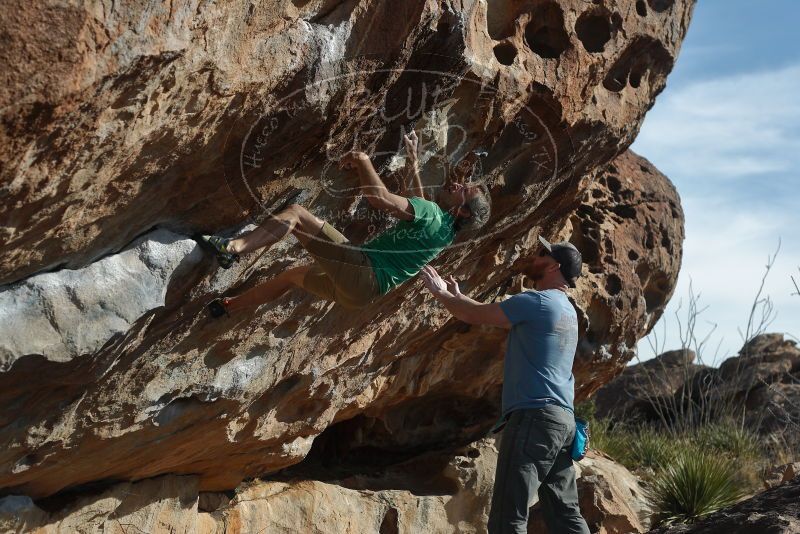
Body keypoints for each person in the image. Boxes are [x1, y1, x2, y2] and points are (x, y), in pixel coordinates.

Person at [200, 131, 491, 315]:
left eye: (464, 190)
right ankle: (227, 307)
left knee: (297, 214)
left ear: (462, 211)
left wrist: (363, 160)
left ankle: (233, 248)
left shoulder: (433, 216)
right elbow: (418, 203)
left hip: (362, 270)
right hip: (362, 295)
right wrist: (413, 163)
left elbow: (380, 199)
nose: (458, 184)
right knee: (291, 276)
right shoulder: (443, 232)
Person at [419, 235, 589, 534]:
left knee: (508, 516)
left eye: (542, 256)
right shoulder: (566, 310)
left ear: (553, 266)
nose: (535, 258)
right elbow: (490, 312)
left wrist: (440, 293)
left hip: (534, 419)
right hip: (563, 423)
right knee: (565, 515)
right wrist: (460, 297)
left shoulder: (536, 301)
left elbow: (472, 315)